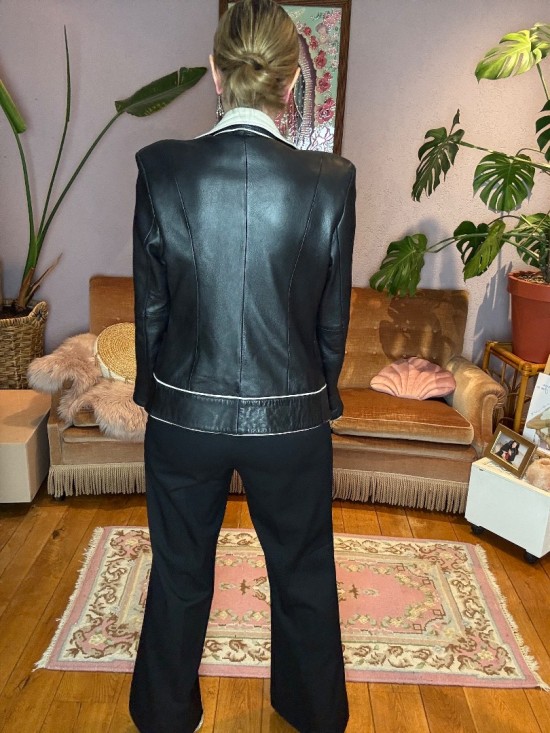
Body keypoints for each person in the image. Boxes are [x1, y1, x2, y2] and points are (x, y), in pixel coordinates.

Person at [129, 1, 356, 731]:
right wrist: (317, 398)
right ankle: (312, 712)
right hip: (292, 421)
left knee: (179, 571)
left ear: (215, 71)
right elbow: (331, 319)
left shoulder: (161, 168)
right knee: (303, 572)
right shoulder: (331, 179)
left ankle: (164, 715)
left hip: (182, 416)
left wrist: (156, 396)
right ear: (291, 84)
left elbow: (151, 308)